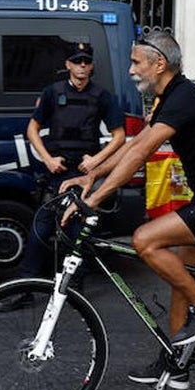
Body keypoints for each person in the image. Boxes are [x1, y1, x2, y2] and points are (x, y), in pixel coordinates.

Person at [61, 31, 195, 390]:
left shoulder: (183, 98)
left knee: (145, 240)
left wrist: (95, 199)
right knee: (181, 277)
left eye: (137, 62)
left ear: (159, 63)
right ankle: (177, 365)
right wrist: (90, 176)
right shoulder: (171, 98)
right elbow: (134, 145)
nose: (131, 69)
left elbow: (139, 154)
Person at [19, 41, 124, 283]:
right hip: (58, 173)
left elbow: (119, 136)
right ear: (68, 65)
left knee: (77, 234)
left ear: (92, 66)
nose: (82, 65)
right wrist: (48, 160)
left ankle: (74, 289)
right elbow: (32, 129)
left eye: (86, 61)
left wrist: (96, 161)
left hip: (84, 176)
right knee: (40, 230)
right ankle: (24, 287)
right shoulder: (52, 92)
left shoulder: (101, 96)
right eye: (77, 61)